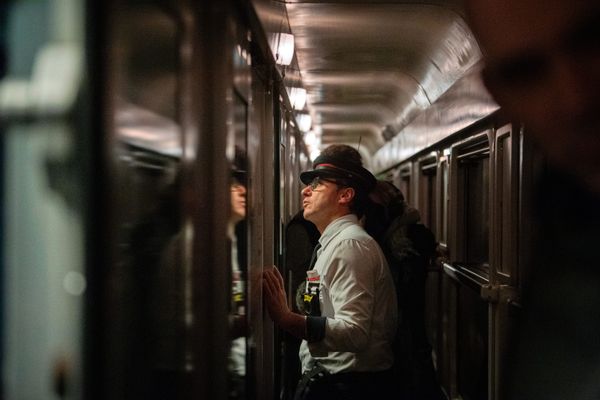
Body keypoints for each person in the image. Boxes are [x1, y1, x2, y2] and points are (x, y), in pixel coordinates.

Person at [464, 1, 600, 399]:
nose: (576, 98)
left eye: (591, 39)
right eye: (526, 73)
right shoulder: (563, 229)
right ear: (499, 93)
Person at [263, 145, 398, 400]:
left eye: (317, 184)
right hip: (334, 382)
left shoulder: (351, 246)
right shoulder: (335, 243)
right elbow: (326, 308)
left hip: (348, 387)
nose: (306, 190)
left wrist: (286, 318)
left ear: (345, 195)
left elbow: (355, 333)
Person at [365, 181, 444, 400]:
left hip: (406, 319)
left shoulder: (411, 238)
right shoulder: (384, 237)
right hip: (400, 321)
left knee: (413, 370)